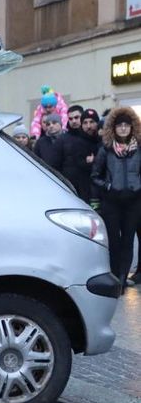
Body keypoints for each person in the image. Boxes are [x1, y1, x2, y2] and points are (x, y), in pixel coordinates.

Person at [91, 107, 141, 289]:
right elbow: (95, 175)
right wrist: (108, 186)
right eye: (119, 125)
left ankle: (121, 278)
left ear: (132, 127)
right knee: (114, 241)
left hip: (134, 201)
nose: (123, 129)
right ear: (113, 127)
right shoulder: (106, 149)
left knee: (128, 240)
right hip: (112, 201)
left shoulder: (139, 148)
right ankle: (114, 275)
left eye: (126, 125)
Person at [60, 105, 99, 202]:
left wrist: (95, 160)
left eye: (91, 122)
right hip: (84, 188)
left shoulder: (102, 141)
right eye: (85, 123)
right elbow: (80, 163)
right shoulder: (77, 142)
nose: (89, 126)